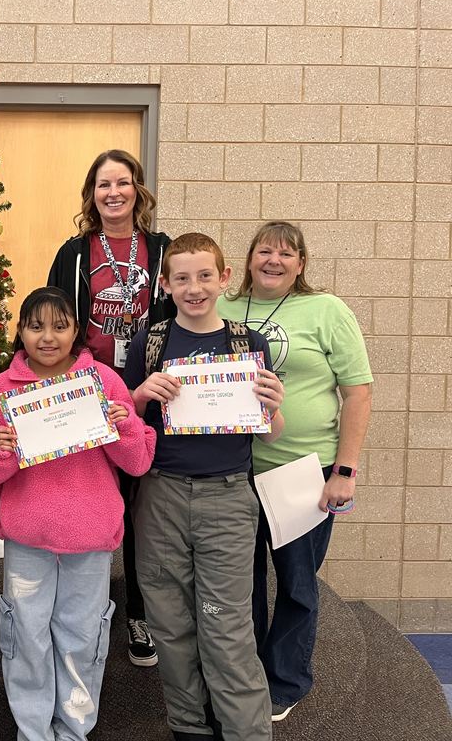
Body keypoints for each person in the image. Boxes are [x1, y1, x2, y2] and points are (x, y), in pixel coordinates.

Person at [0, 286, 155, 740]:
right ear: (21, 331)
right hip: (27, 540)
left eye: (59, 326)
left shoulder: (103, 382)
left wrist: (125, 428)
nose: (47, 337)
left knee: (82, 637)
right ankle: (33, 731)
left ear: (76, 331)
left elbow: (138, 463)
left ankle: (73, 729)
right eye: (36, 326)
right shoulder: (0, 390)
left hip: (89, 537)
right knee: (25, 636)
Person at [123, 233, 286, 741]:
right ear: (165, 285)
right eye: (182, 278)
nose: (193, 288)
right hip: (160, 495)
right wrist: (139, 396)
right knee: (169, 624)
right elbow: (123, 424)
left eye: (204, 276)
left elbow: (270, 432)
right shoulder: (150, 342)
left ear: (224, 278)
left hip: (228, 497)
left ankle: (245, 731)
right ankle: (189, 726)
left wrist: (274, 407)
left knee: (226, 628)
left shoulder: (247, 345)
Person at [218, 221, 372, 722]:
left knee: (297, 584)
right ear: (249, 259)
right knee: (240, 583)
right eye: (265, 251)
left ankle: (285, 681)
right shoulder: (224, 307)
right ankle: (245, 677)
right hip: (235, 470)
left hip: (304, 471)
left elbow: (358, 393)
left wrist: (344, 471)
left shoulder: (327, 310)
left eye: (286, 254)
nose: (274, 260)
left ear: (301, 264)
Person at [47, 149, 173, 667]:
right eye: (104, 184)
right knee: (89, 500)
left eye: (123, 182)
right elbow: (53, 322)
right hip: (88, 395)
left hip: (149, 395)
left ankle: (140, 615)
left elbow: (185, 312)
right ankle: (78, 611)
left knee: (144, 511)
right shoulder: (74, 253)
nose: (113, 192)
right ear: (92, 193)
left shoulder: (162, 250)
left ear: (138, 190)